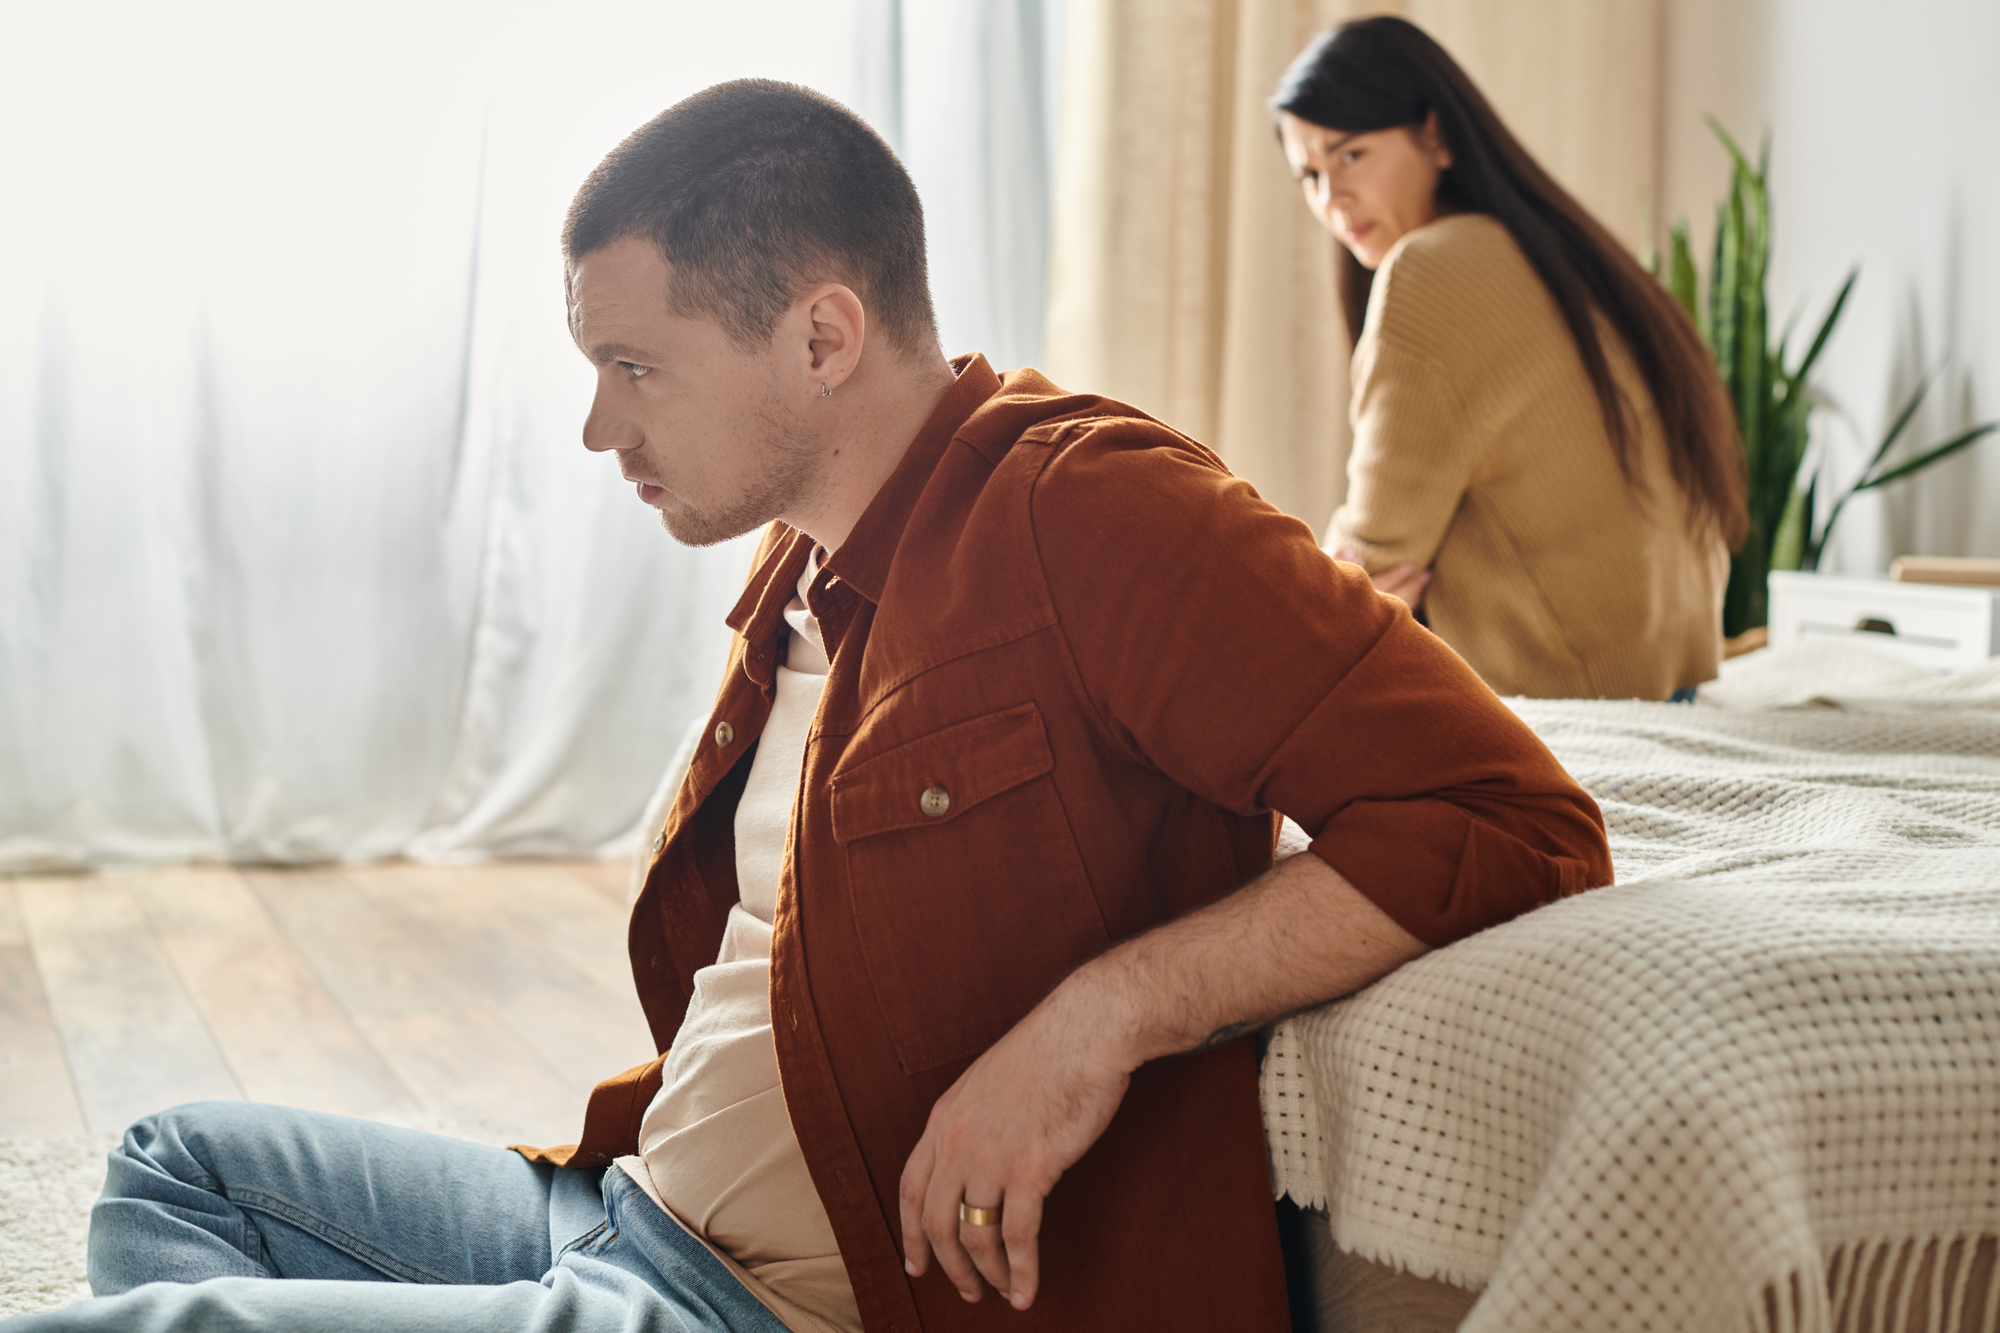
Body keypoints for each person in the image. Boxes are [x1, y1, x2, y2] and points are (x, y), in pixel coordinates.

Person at [8, 80, 1612, 1333]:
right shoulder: (810, 561)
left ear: (823, 334)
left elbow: (1511, 817)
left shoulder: (1092, 509)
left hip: (757, 1303)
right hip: (627, 1214)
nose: (592, 428)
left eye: (634, 367)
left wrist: (1096, 1020)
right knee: (174, 1167)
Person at [1273, 17, 1748, 701]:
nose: (1330, 197)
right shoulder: (1557, 247)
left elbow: (1372, 562)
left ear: (1433, 134)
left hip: (1571, 706)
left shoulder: (1430, 270)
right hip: (1675, 686)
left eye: (1350, 155)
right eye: (1309, 175)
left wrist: (1319, 597)